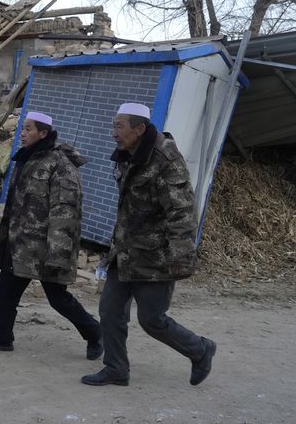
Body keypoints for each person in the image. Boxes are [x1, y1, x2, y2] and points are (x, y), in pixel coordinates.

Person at [82, 103, 216, 387]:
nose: (113, 133)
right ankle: (116, 368)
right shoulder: (125, 155)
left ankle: (200, 349)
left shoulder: (165, 161)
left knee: (152, 319)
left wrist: (178, 257)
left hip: (158, 254)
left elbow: (182, 213)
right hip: (126, 250)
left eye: (119, 126)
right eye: (113, 125)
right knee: (110, 311)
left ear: (139, 129)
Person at [0, 111, 103, 359]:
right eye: (22, 128)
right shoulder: (28, 158)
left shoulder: (60, 165)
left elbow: (65, 212)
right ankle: (1, 337)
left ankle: (95, 333)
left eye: (29, 129)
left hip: (46, 248)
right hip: (21, 244)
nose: (22, 134)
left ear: (43, 134)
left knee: (58, 299)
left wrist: (58, 253)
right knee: (4, 292)